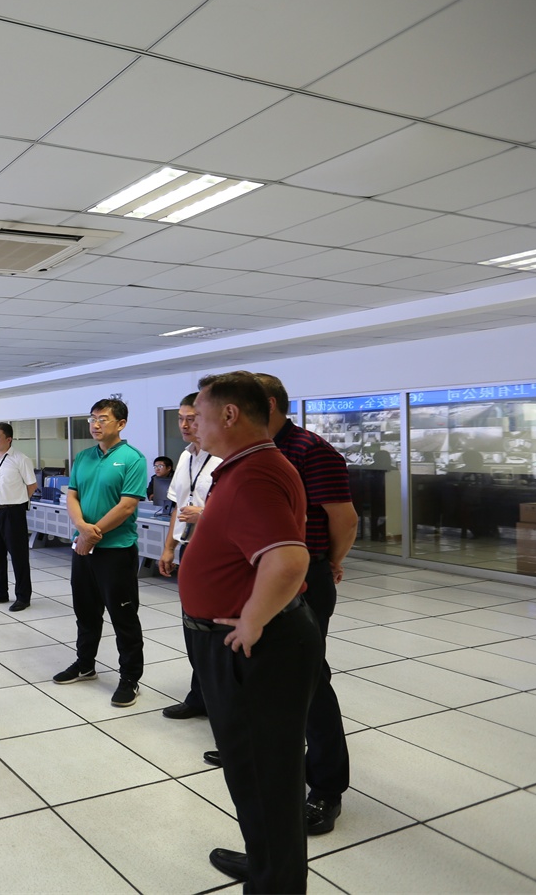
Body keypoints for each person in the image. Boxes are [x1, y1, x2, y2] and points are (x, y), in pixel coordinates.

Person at [180, 371, 320, 892]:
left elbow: (288, 560)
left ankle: (275, 882)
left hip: (258, 647)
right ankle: (266, 861)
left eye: (199, 414)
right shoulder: (250, 465)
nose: (193, 424)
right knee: (255, 775)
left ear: (230, 414)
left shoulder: (253, 475)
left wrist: (253, 619)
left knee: (264, 777)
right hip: (255, 641)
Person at [249, 372, 358, 837]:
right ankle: (271, 761)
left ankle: (326, 787)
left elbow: (344, 519)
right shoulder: (253, 450)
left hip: (303, 577)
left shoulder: (311, 450)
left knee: (309, 680)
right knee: (265, 675)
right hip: (258, 575)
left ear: (269, 404)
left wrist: (328, 561)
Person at [53, 398, 148, 708]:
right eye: (92, 418)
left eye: (102, 418)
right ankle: (85, 664)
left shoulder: (133, 459)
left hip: (116, 551)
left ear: (121, 424)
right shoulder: (83, 457)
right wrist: (83, 529)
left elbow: (127, 506)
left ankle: (130, 677)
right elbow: (72, 495)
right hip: (83, 548)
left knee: (123, 616)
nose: (95, 424)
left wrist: (93, 534)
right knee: (85, 612)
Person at [158, 392, 218, 720]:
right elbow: (178, 507)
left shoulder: (223, 457)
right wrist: (169, 546)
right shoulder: (185, 457)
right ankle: (200, 696)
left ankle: (220, 701)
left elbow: (241, 511)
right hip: (188, 549)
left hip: (217, 552)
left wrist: (205, 515)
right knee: (192, 626)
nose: (184, 425)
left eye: (191, 419)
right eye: (180, 418)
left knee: (214, 630)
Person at [0, 422, 37, 612]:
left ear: (9, 439)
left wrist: (18, 501)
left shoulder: (21, 459)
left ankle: (23, 596)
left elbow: (32, 486)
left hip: (13, 512)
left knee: (19, 556)